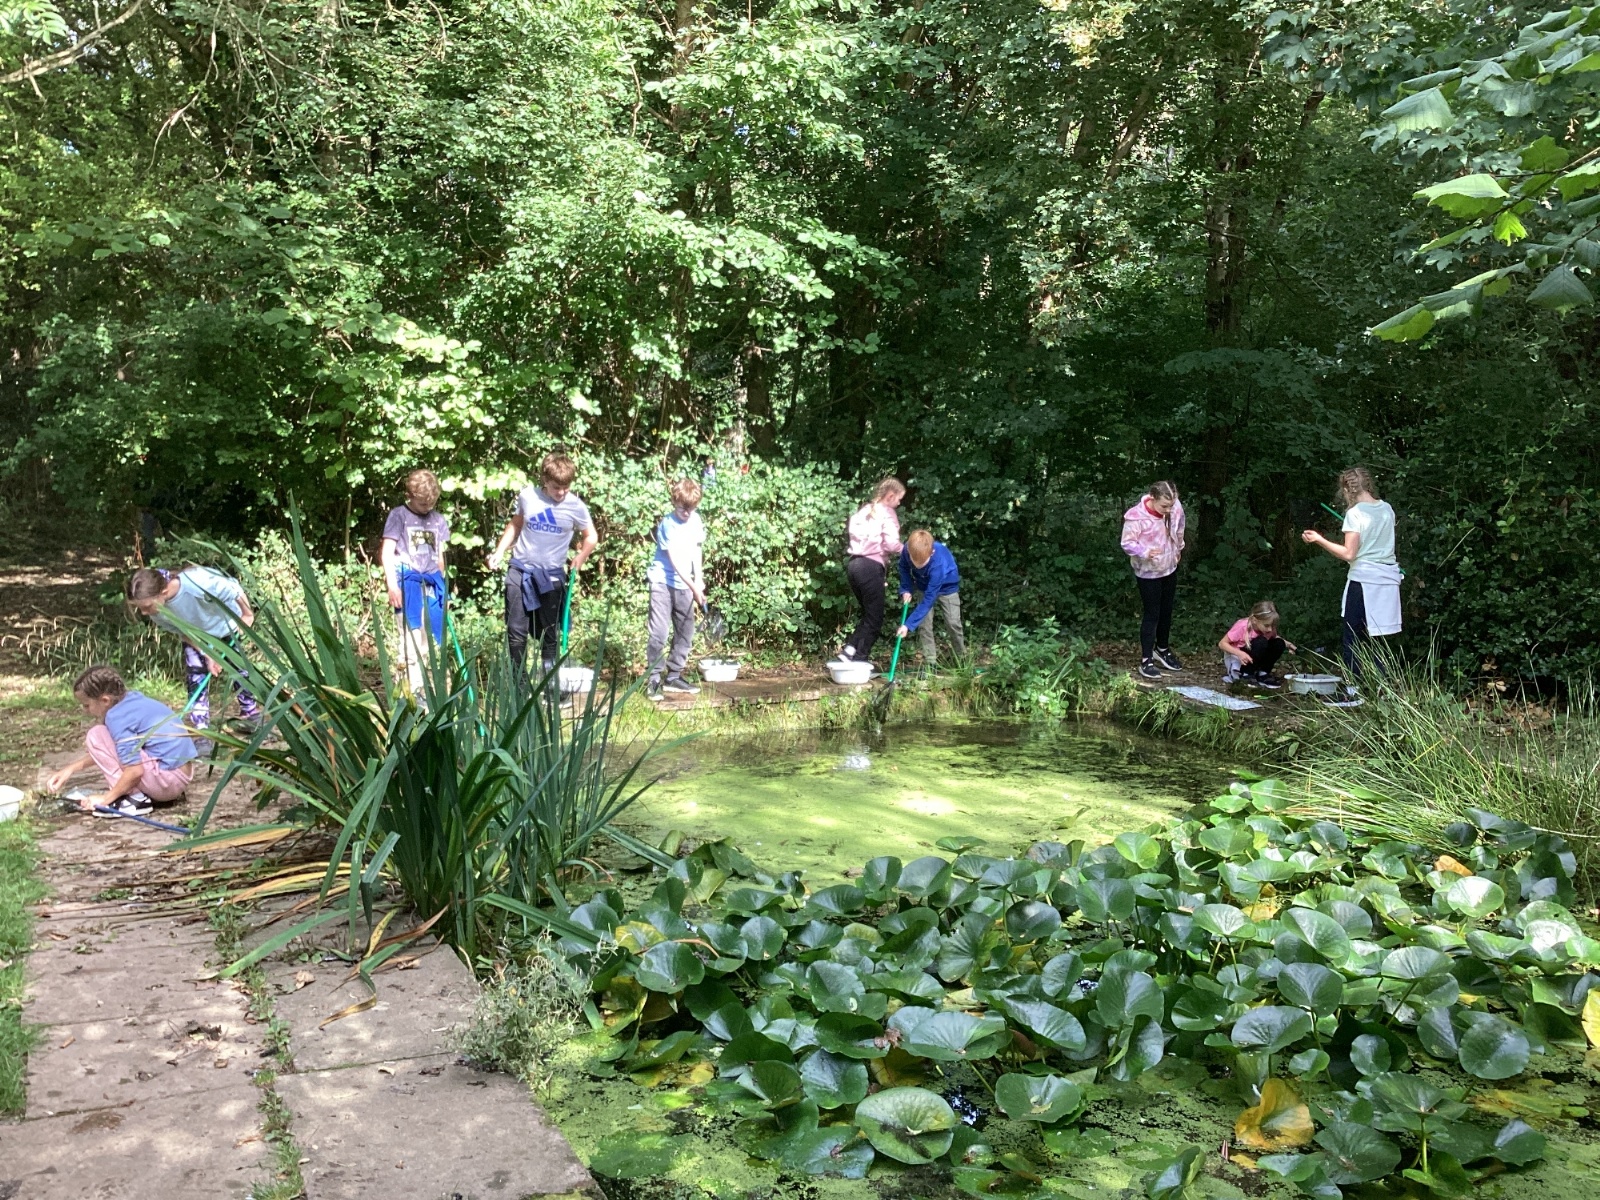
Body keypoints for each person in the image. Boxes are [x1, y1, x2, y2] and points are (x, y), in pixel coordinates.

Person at [46, 665, 197, 817]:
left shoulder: (117, 718)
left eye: (87, 705)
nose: (85, 711)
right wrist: (70, 769)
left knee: (96, 735)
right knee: (103, 737)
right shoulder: (131, 700)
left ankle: (134, 799)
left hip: (167, 783)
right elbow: (111, 750)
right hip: (179, 777)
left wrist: (105, 799)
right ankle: (139, 794)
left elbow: (135, 771)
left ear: (105, 700)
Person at [125, 564, 260, 731]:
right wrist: (207, 654)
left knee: (239, 667)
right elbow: (184, 632)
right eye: (140, 608)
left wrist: (247, 614)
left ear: (163, 592)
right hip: (197, 634)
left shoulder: (197, 583)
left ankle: (250, 713)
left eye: (146, 607)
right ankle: (201, 728)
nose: (144, 613)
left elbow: (233, 589)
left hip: (226, 624)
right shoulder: (158, 614)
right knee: (196, 672)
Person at [1302, 466, 1401, 687]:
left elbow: (1349, 554)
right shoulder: (1387, 509)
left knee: (1353, 637)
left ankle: (1352, 689)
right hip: (1387, 581)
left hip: (1364, 581)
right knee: (1379, 639)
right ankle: (1382, 689)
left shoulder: (1355, 514)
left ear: (1347, 489)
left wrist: (1319, 539)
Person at [381, 469, 450, 698]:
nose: (427, 507)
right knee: (410, 641)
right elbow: (387, 552)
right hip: (407, 583)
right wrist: (392, 585)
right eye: (422, 503)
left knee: (427, 642)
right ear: (409, 496)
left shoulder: (438, 520)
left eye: (431, 503)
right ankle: (406, 695)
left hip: (430, 583)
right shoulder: (399, 516)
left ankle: (423, 691)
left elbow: (439, 557)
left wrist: (443, 590)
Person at [645, 478, 708, 700]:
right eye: (683, 509)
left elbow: (696, 551)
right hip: (662, 581)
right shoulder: (667, 525)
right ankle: (653, 679)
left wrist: (698, 579)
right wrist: (694, 587)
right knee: (659, 632)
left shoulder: (696, 521)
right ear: (674, 502)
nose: (687, 513)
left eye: (692, 509)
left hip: (685, 584)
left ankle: (673, 677)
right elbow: (675, 562)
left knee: (686, 631)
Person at [1120, 481, 1186, 681]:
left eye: (1171, 505)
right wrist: (1145, 552)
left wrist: (1178, 548)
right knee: (1152, 614)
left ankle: (1162, 649)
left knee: (1167, 611)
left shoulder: (1174, 507)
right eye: (1164, 506)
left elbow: (1179, 527)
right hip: (1148, 573)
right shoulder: (1136, 517)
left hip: (1169, 567)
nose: (1168, 510)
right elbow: (1127, 543)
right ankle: (1146, 659)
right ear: (1152, 498)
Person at [840, 478, 905, 663]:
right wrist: (908, 551)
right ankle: (860, 660)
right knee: (875, 618)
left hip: (854, 565)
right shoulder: (887, 513)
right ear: (890, 496)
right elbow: (892, 544)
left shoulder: (865, 511)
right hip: (870, 566)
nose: (899, 503)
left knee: (868, 614)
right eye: (899, 499)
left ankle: (849, 652)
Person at [896, 529, 964, 668]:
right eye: (915, 562)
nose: (917, 566)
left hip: (947, 587)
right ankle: (931, 662)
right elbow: (903, 568)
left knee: (953, 623)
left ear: (931, 553)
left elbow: (928, 600)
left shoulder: (938, 563)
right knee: (924, 624)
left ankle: (961, 658)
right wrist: (906, 588)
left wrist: (907, 625)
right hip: (923, 585)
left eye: (922, 563)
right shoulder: (908, 549)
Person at [1219, 601, 1297, 689]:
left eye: (1272, 626)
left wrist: (1288, 644)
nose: (1270, 629)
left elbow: (1275, 637)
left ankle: (1263, 673)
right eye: (1267, 625)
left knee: (1279, 643)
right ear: (1255, 620)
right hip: (1239, 658)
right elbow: (1222, 644)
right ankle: (1246, 674)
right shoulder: (1243, 626)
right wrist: (1239, 654)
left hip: (1254, 658)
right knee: (1261, 642)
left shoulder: (1269, 629)